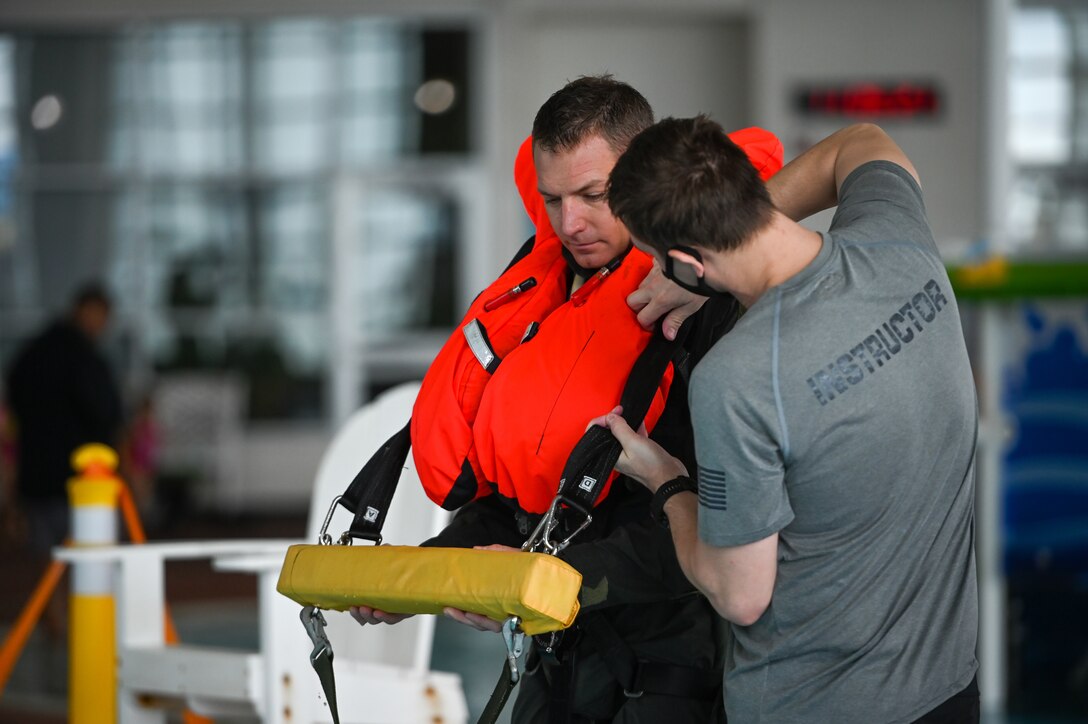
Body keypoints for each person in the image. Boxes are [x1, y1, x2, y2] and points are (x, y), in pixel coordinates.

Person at [351, 77, 780, 723]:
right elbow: (517, 509)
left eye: (593, 196)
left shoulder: (705, 310)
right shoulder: (545, 300)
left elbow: (708, 538)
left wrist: (534, 576)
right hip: (554, 662)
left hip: (667, 674)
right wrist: (424, 577)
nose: (570, 223)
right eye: (553, 200)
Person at [596, 118, 980, 722]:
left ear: (683, 264)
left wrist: (666, 481)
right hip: (949, 691)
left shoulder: (739, 379)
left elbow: (740, 595)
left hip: (813, 705)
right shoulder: (900, 240)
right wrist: (724, 229)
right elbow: (862, 141)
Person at [3, 282, 124, 556]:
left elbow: (13, 401)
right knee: (91, 559)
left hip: (35, 477)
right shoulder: (86, 359)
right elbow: (106, 414)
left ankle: (56, 601)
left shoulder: (32, 353)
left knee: (47, 563)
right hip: (84, 481)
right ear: (85, 311)